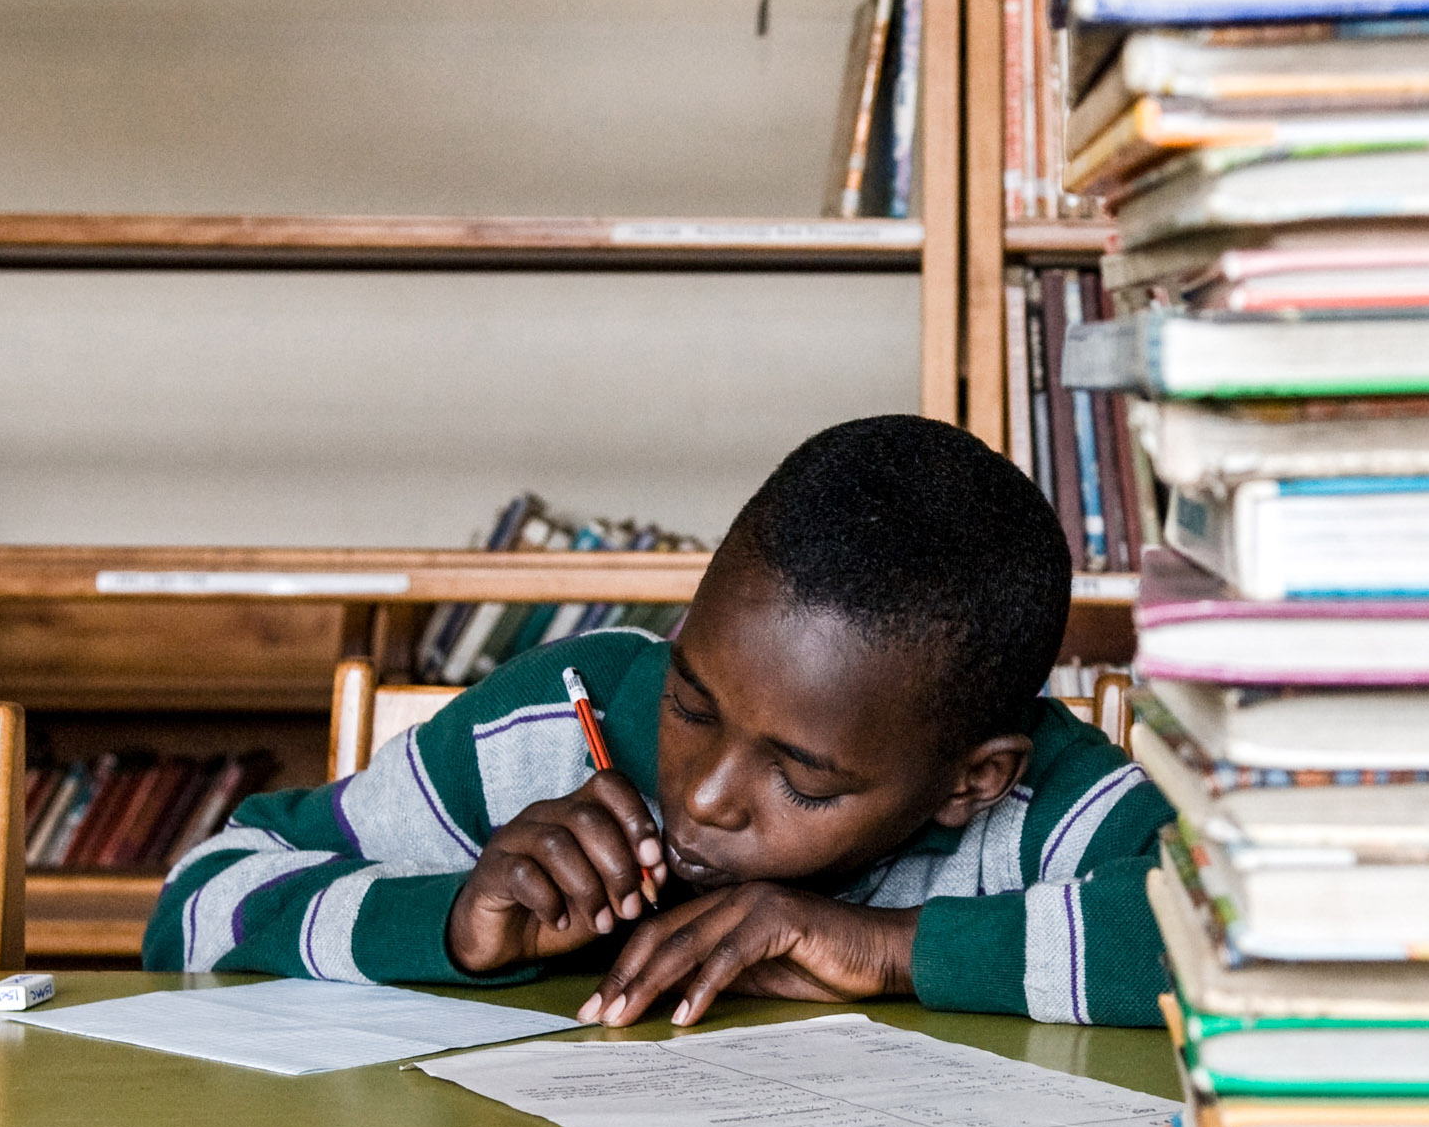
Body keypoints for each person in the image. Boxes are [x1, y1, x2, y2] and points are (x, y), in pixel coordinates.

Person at [144, 414, 1172, 1026]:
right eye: (691, 701)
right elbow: (194, 907)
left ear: (970, 780)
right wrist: (454, 918)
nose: (706, 793)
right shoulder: (561, 718)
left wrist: (886, 945)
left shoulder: (1042, 801)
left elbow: (1242, 950)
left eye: (803, 777)